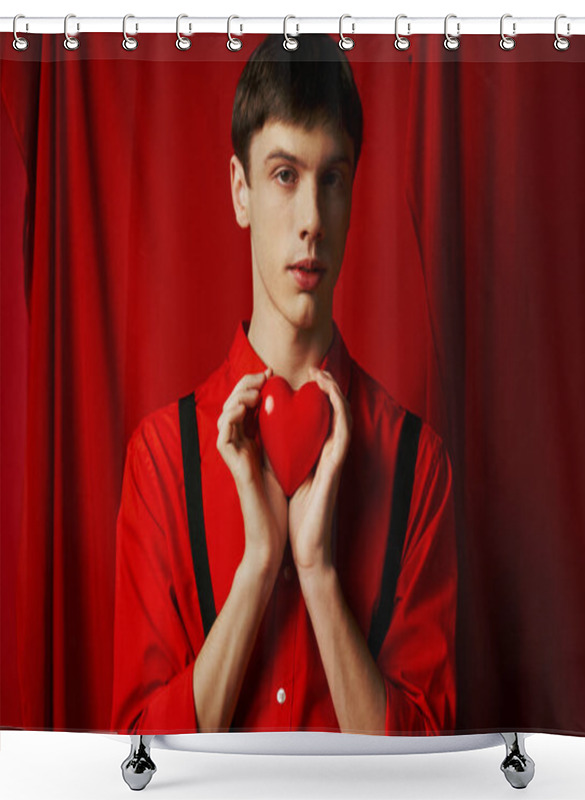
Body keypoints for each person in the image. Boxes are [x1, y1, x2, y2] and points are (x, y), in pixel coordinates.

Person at [110, 34, 457, 736]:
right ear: (240, 191)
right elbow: (139, 751)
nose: (311, 222)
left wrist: (318, 573)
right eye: (283, 175)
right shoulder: (159, 458)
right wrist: (260, 565)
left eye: (332, 178)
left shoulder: (419, 464)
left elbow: (430, 758)